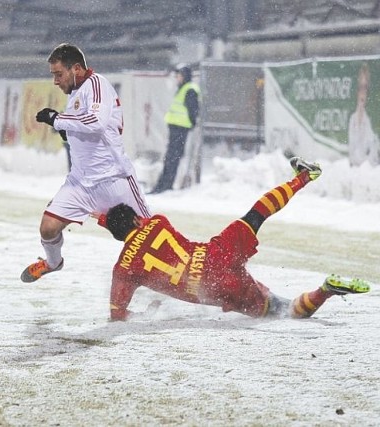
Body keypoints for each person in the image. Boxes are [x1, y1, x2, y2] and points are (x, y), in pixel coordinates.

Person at [97, 157, 369, 321]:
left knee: (282, 310)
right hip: (217, 253)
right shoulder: (158, 222)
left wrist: (146, 315)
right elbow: (144, 226)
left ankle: (326, 290)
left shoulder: (123, 270)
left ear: (117, 236)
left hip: (216, 287)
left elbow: (117, 315)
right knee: (256, 214)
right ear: (135, 220)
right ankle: (303, 177)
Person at [21, 43, 151, 283]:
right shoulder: (76, 94)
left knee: (148, 240)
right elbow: (83, 125)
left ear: (76, 69)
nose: (55, 81)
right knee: (48, 228)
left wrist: (57, 119)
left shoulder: (97, 84)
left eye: (58, 74)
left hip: (114, 180)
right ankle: (52, 263)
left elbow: (96, 122)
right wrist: (67, 133)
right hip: (80, 183)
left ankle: (182, 281)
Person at [151, 63, 200, 193]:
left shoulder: (189, 89)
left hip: (180, 128)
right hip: (177, 128)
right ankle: (163, 185)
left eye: (178, 76)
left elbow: (193, 110)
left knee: (172, 157)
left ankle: (165, 185)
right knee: (171, 157)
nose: (177, 78)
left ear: (184, 76)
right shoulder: (184, 88)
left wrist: (191, 123)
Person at [348, 62, 379, 167]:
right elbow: (352, 145)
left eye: (365, 88)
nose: (362, 93)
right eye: (360, 87)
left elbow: (372, 145)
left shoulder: (371, 119)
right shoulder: (353, 119)